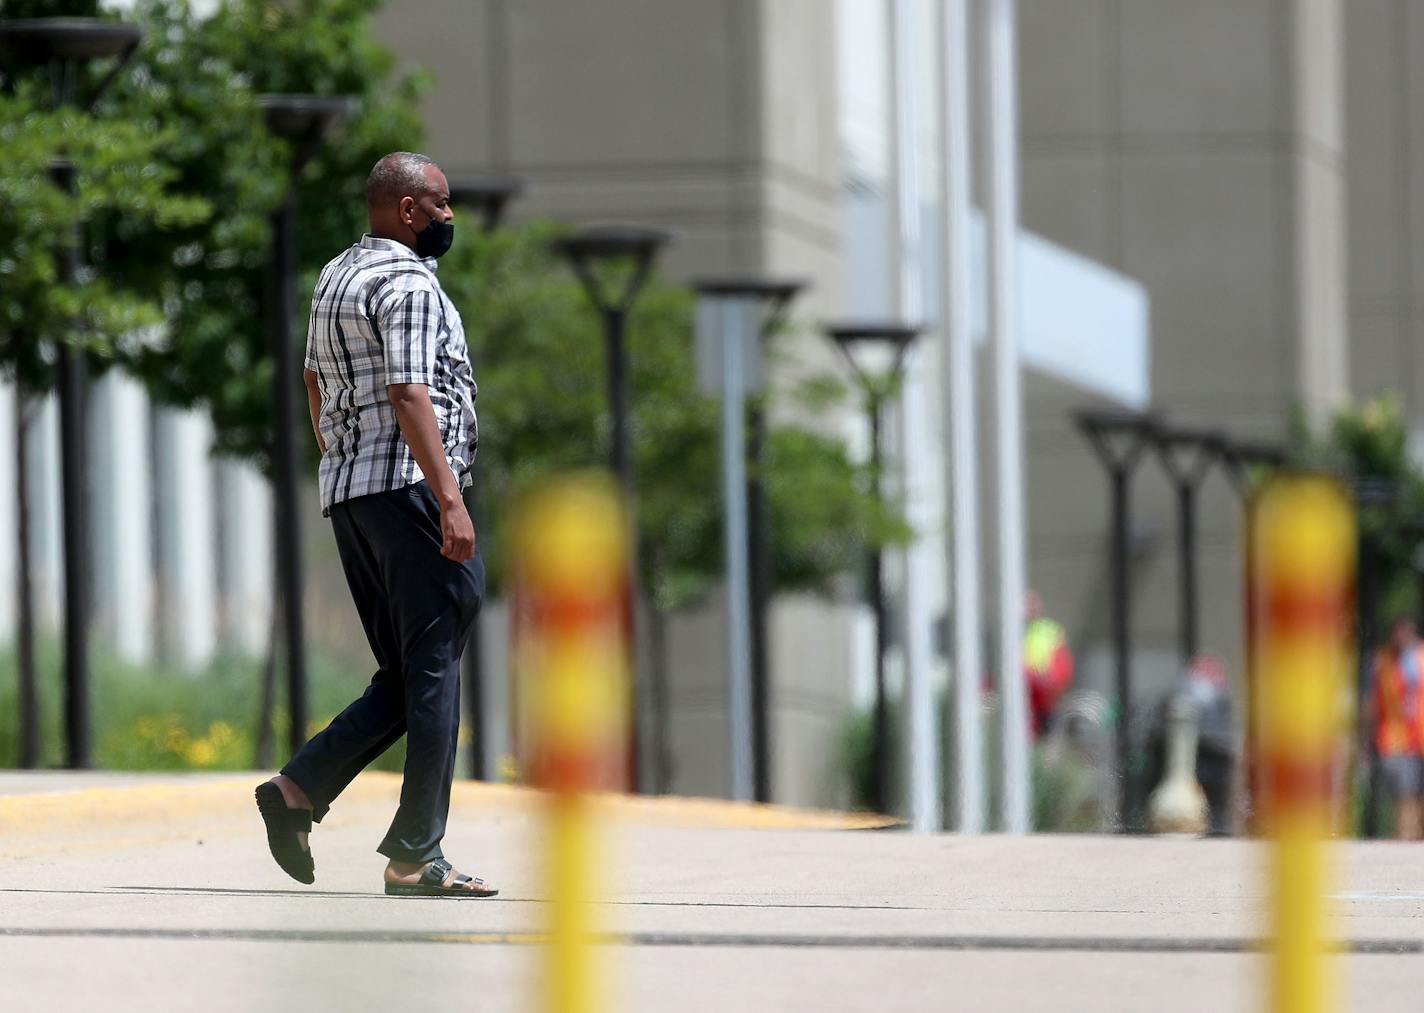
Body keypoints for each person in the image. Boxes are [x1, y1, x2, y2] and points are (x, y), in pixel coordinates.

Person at [253, 151, 495, 897]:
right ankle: (416, 854)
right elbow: (410, 393)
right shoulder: (411, 284)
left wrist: (342, 458)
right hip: (413, 493)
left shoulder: (336, 275)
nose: (451, 217)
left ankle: (297, 790)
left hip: (355, 498)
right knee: (433, 669)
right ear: (409, 210)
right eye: (443, 204)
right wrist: (448, 496)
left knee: (406, 673)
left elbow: (313, 378)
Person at [1364, 613, 1424, 840]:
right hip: (1395, 738)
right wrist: (1368, 738)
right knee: (1405, 795)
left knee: (1417, 798)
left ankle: (1414, 844)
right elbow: (1371, 703)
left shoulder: (1421, 656)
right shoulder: (1382, 661)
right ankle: (1406, 843)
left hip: (1420, 737)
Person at [1024, 590, 1074, 738]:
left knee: (1045, 732)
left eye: (1032, 605)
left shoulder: (1050, 630)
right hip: (1024, 692)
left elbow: (1062, 664)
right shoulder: (1011, 630)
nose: (1029, 609)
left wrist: (1052, 685)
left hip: (1044, 693)